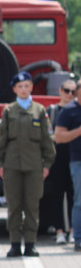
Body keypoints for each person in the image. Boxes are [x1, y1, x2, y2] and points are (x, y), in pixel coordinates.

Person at [0, 71, 56, 257]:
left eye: (26, 86)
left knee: (32, 206)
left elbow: (47, 140)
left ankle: (30, 243)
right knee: (14, 206)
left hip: (34, 166)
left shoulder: (39, 111)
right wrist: (0, 163)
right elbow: (1, 140)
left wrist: (47, 165)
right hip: (12, 166)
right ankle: (14, 244)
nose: (23, 89)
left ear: (31, 87)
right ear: (14, 89)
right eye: (20, 87)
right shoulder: (9, 111)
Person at [41, 79, 77, 243]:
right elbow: (48, 135)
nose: (70, 94)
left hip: (74, 156)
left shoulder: (77, 109)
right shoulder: (54, 110)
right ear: (60, 91)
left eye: (73, 91)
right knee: (57, 195)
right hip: (57, 157)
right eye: (67, 90)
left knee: (73, 195)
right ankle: (59, 231)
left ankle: (71, 229)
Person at [53, 85, 81, 253]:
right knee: (79, 202)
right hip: (78, 161)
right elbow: (59, 137)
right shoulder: (69, 110)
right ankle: (78, 238)